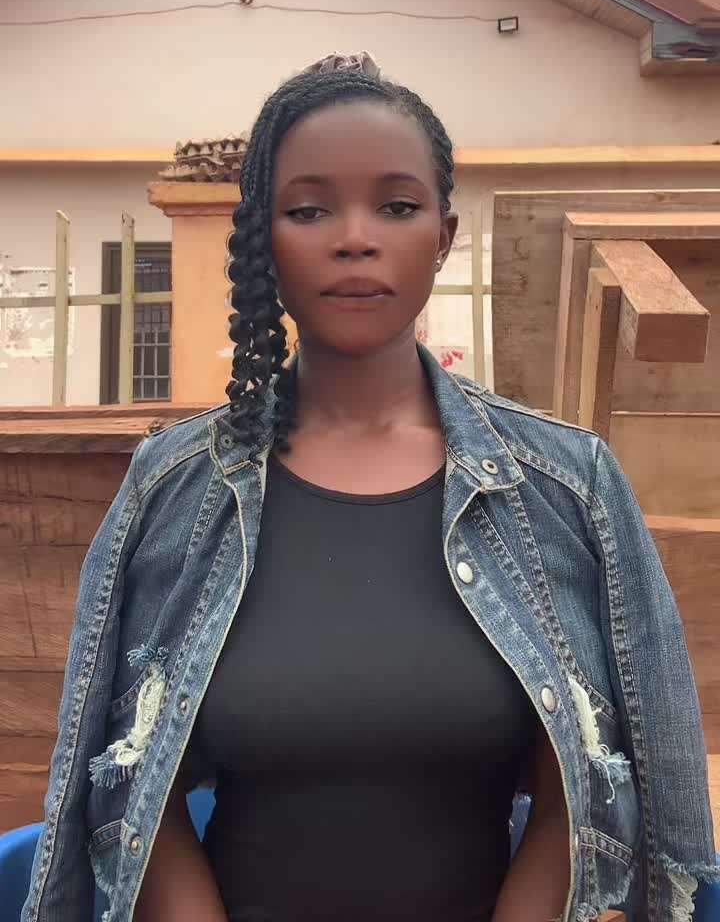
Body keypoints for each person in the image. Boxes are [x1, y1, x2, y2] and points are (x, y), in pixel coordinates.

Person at [22, 52, 718, 922]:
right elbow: (131, 785)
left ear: (444, 236)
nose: (355, 237)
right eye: (309, 209)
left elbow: (589, 789)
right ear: (262, 240)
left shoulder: (566, 488)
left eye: (396, 205)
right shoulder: (173, 490)